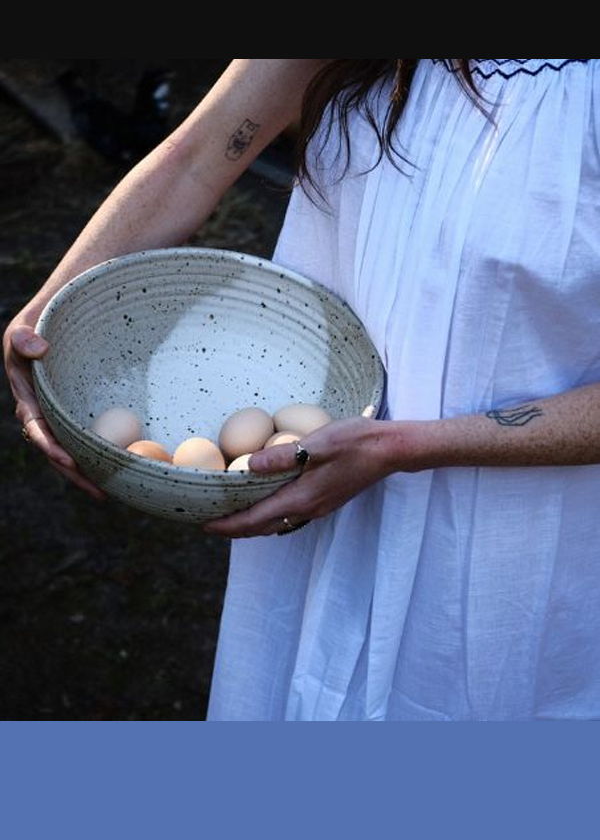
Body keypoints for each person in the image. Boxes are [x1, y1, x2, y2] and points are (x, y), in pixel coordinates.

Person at [4, 58, 600, 721]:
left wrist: (406, 445)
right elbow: (197, 157)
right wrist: (45, 321)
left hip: (510, 542)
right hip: (319, 495)